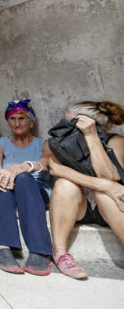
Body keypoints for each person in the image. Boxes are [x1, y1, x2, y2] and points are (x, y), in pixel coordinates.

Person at [48, 101, 124, 280]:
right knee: (64, 184)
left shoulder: (117, 141)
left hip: (112, 208)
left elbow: (108, 175)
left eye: (70, 124)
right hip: (83, 206)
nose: (64, 128)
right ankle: (60, 254)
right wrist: (105, 185)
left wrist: (91, 137)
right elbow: (56, 169)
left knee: (104, 195)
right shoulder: (62, 143)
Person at [0, 99, 53, 276]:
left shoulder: (43, 143)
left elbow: (45, 163)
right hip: (6, 192)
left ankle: (40, 249)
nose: (16, 123)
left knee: (21, 177)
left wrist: (22, 167)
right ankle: (2, 246)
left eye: (21, 118)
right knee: (0, 179)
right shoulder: (1, 143)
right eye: (12, 119)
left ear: (31, 121)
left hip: (34, 192)